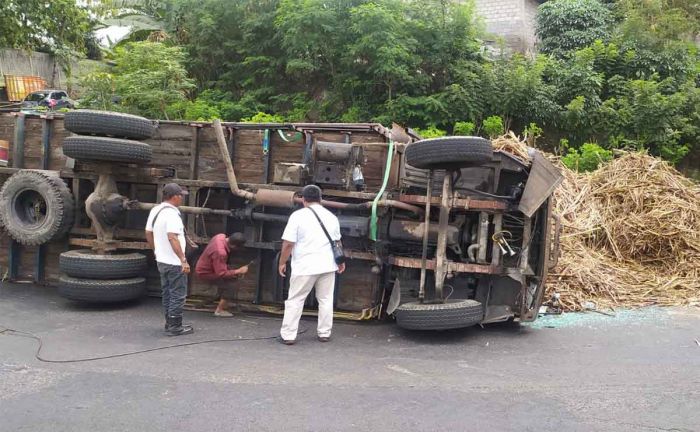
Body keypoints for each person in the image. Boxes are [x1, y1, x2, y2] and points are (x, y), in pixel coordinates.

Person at [278, 185, 345, 345]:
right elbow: (337, 242)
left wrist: (282, 262)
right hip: (328, 265)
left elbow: (288, 244)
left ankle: (289, 335)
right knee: (326, 300)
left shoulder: (297, 216)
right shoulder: (331, 217)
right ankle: (324, 333)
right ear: (321, 199)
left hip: (305, 266)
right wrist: (341, 262)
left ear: (303, 199)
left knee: (295, 299)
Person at [145, 183, 193, 336]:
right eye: (181, 196)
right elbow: (172, 237)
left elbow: (148, 232)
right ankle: (175, 326)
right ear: (175, 197)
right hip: (174, 262)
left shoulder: (156, 210)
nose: (182, 198)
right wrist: (183, 260)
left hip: (162, 260)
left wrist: (156, 250)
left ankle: (169, 322)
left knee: (167, 293)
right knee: (178, 294)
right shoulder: (172, 214)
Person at [195, 233, 250, 317]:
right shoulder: (221, 253)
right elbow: (221, 273)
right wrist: (239, 271)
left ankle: (221, 298)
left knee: (231, 275)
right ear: (234, 246)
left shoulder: (220, 236)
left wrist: (234, 272)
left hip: (207, 265)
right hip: (205, 272)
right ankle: (219, 310)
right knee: (232, 285)